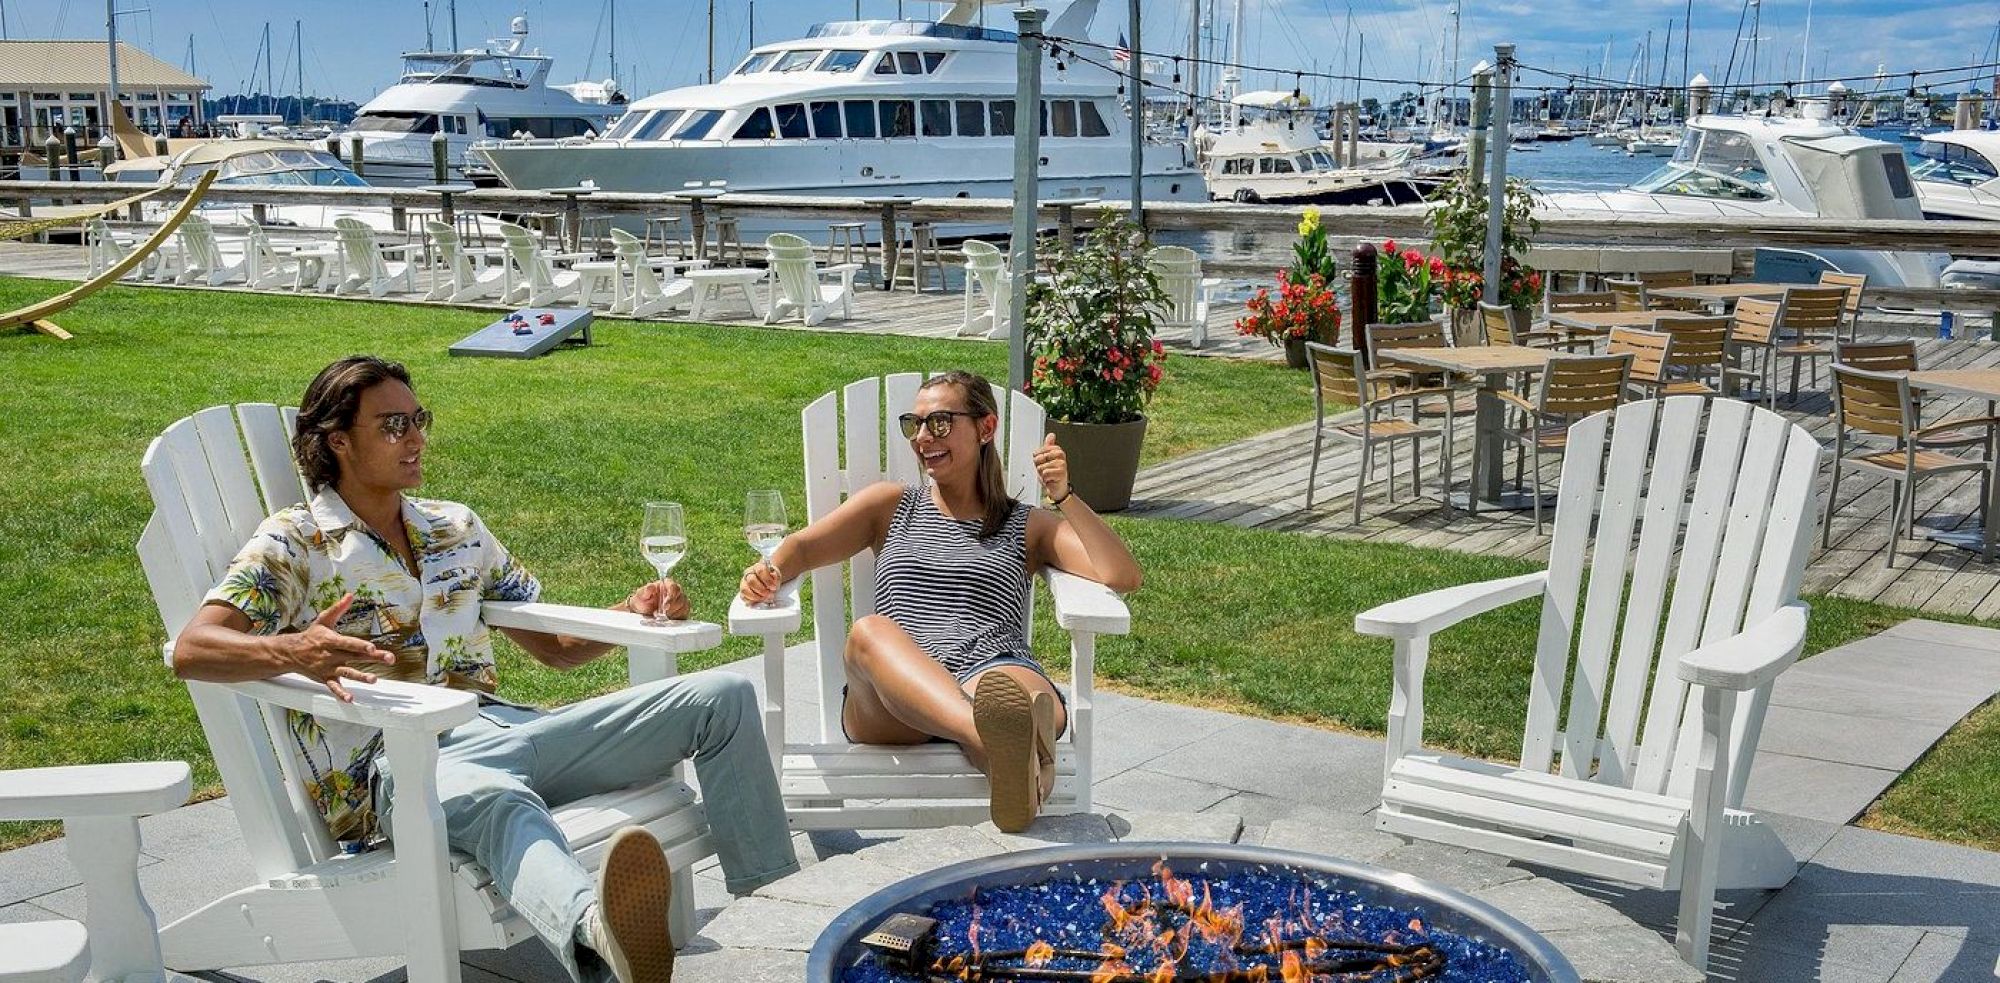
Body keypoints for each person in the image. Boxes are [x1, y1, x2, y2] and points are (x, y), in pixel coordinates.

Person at [171, 355, 796, 983]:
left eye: (419, 420)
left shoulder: (455, 527)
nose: (415, 439)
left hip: (507, 730)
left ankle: (779, 914)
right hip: (400, 768)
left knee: (722, 695)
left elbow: (555, 647)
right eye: (392, 426)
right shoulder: (294, 543)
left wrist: (629, 610)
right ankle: (599, 942)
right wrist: (292, 650)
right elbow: (194, 649)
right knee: (496, 800)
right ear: (337, 441)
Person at [738, 370, 1142, 832]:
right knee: (868, 632)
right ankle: (1003, 747)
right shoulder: (891, 506)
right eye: (916, 425)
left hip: (990, 670)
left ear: (985, 428)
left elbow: (1121, 574)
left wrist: (1064, 496)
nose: (924, 437)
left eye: (941, 424)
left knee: (1016, 697)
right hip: (894, 695)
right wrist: (770, 571)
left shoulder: (1026, 525)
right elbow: (805, 548)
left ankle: (1014, 770)